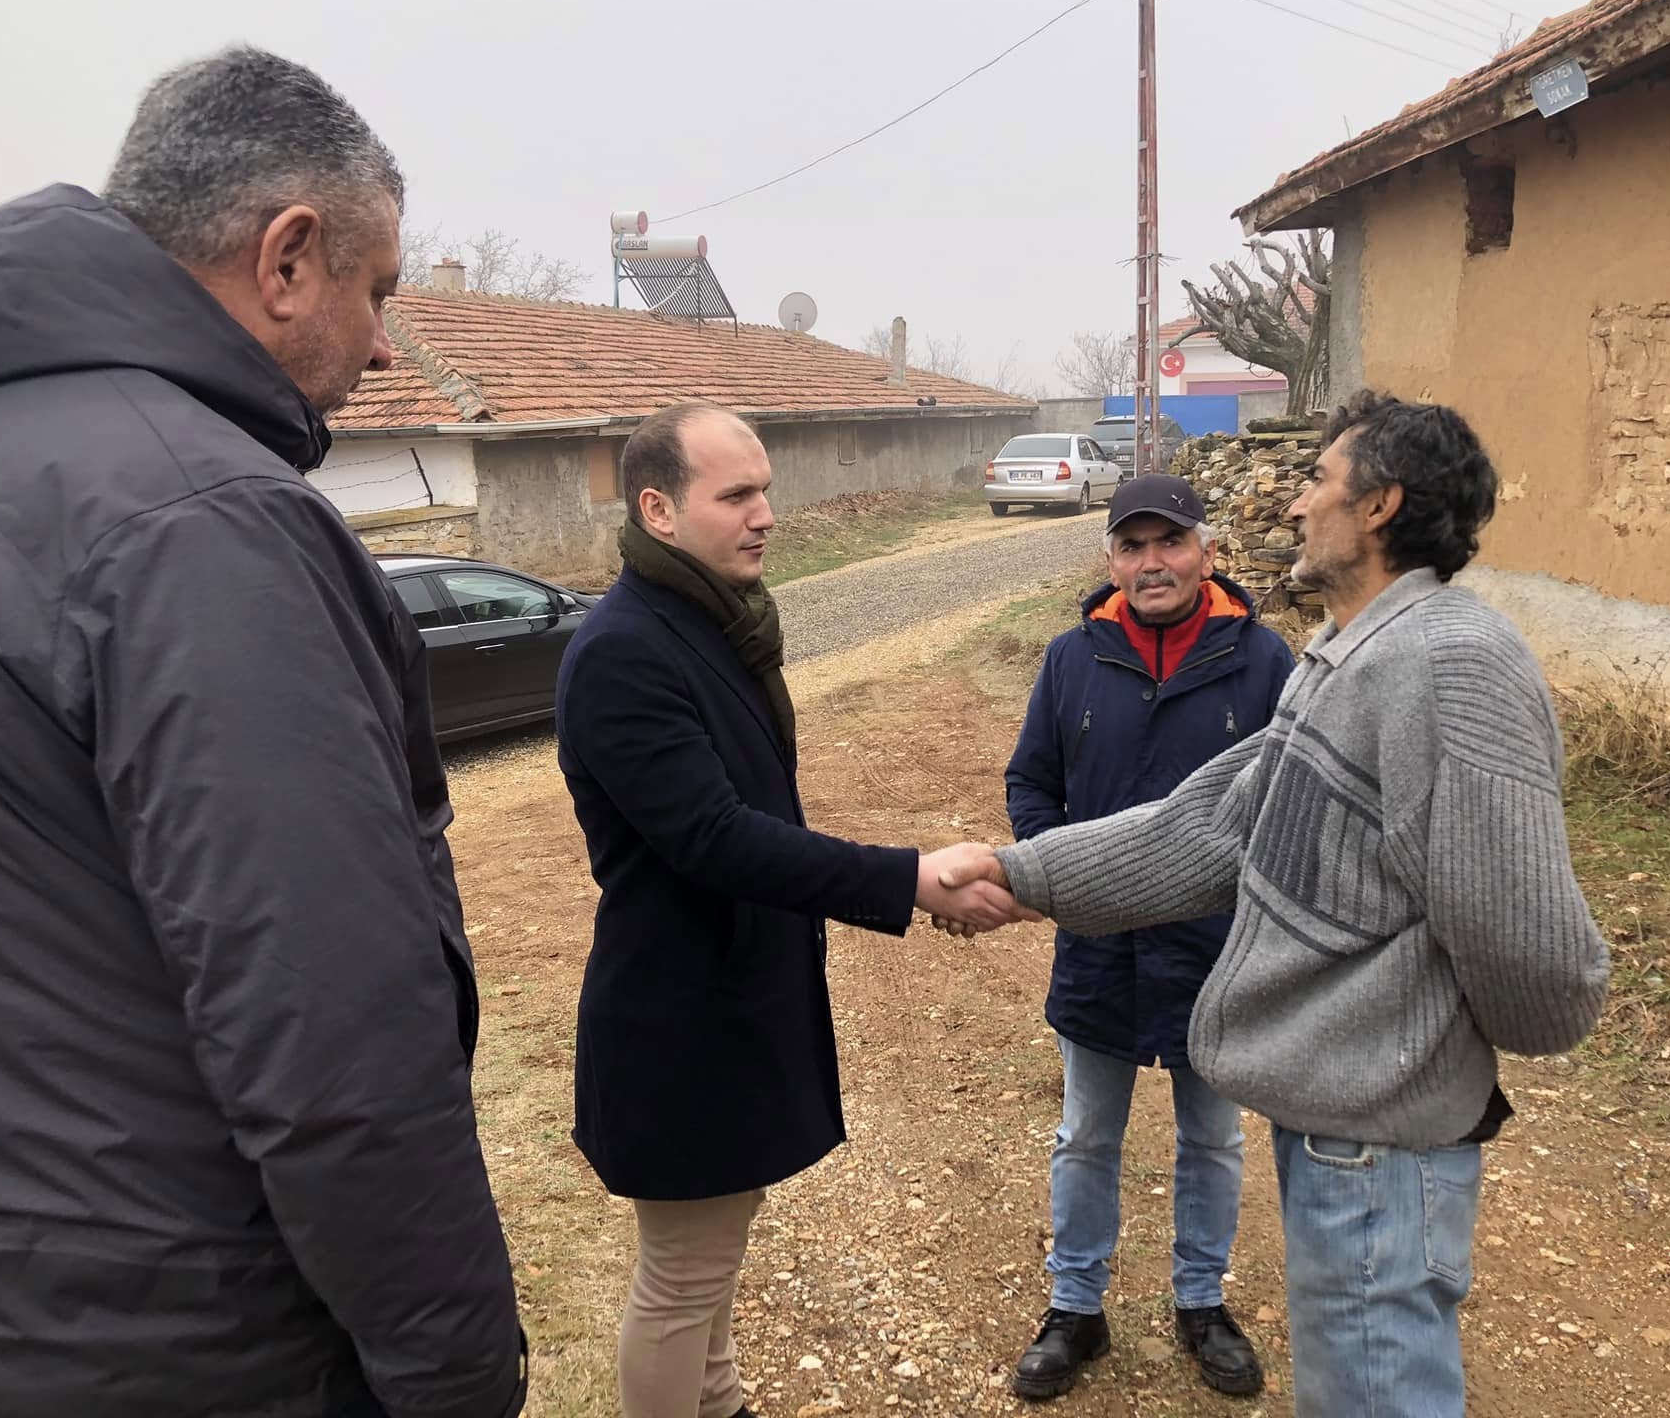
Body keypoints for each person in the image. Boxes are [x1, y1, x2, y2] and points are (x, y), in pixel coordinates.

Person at [0, 49, 525, 1416]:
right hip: (183, 1337)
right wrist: (455, 1379)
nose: (386, 343)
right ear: (286, 259)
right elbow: (332, 1040)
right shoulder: (200, 522)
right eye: (377, 290)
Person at [947, 391, 1611, 1418]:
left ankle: (1195, 1298)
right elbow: (1209, 826)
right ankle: (1077, 1304)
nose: (1294, 506)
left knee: (1377, 1394)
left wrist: (1422, 1050)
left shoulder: (1447, 662)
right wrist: (1016, 872)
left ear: (1380, 505)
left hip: (1383, 1127)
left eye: (1315, 482)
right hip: (1334, 1122)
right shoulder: (1345, 659)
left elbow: (1528, 947)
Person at [557, 401, 1033, 1418]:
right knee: (681, 1282)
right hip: (679, 1024)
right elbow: (711, 837)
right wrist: (902, 876)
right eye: (736, 495)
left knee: (709, 1271)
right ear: (658, 509)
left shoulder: (709, 624)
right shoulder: (622, 650)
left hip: (730, 1003)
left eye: (764, 488)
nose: (765, 513)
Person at [1003, 474, 1294, 1401]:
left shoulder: (1263, 661)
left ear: (1206, 551)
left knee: (1213, 1138)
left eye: (1169, 542)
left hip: (1220, 952)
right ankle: (1076, 1308)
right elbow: (1030, 783)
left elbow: (1292, 803)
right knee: (1087, 1134)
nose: (1151, 562)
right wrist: (1064, 878)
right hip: (1100, 948)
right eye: (1133, 546)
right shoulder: (1070, 659)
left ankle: (1201, 1301)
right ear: (1111, 560)